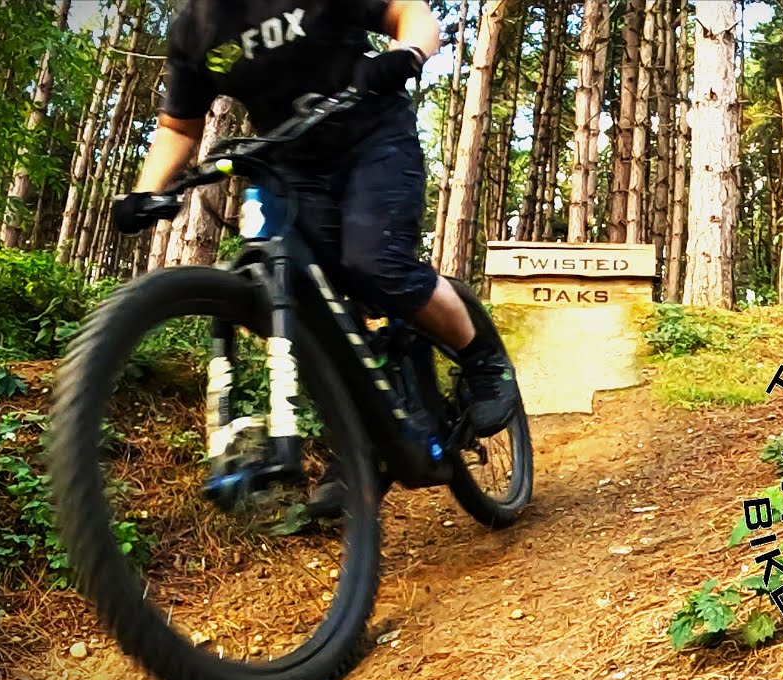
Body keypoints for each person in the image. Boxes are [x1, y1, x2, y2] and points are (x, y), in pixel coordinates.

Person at [112, 0, 520, 447]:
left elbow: (408, 12)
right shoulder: (193, 29)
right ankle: (360, 449)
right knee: (307, 296)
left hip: (373, 138)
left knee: (376, 263)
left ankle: (484, 362)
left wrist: (406, 54)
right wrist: (145, 191)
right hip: (292, 166)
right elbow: (179, 127)